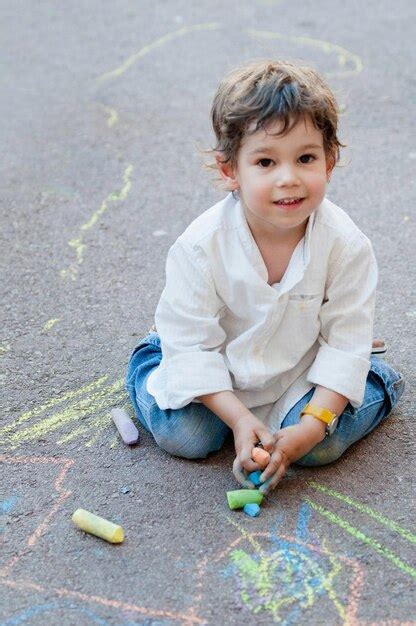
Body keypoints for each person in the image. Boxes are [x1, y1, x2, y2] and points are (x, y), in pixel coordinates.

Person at [126, 59, 405, 495]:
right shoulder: (201, 246)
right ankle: (149, 357)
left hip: (297, 366)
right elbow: (194, 345)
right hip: (221, 362)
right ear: (229, 170)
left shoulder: (346, 245)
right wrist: (238, 420)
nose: (288, 178)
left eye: (306, 158)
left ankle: (377, 379)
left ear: (330, 161)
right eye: (265, 162)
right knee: (187, 437)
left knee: (318, 451)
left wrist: (312, 428)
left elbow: (345, 339)